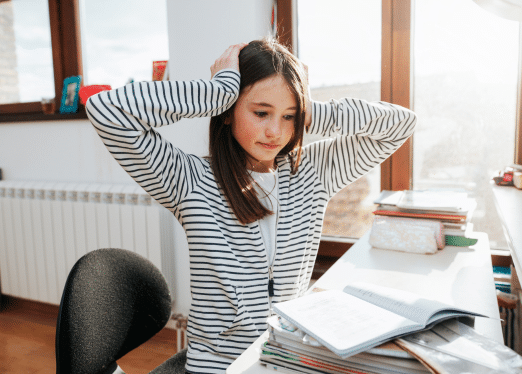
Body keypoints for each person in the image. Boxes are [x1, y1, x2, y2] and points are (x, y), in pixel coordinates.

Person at [86, 38, 417, 374]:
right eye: (261, 112)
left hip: (285, 357)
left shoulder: (314, 172)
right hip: (217, 367)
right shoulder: (189, 179)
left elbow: (401, 124)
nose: (275, 131)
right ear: (228, 112)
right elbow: (105, 110)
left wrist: (312, 108)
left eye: (289, 116)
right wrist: (218, 92)